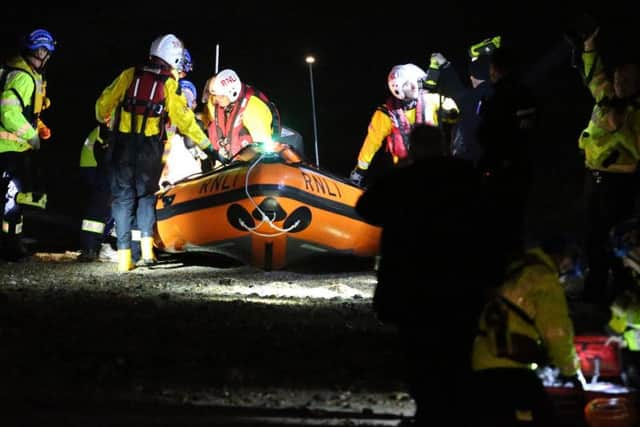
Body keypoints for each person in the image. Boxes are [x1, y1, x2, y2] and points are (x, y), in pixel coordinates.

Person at [355, 124, 499, 426]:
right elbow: (494, 221)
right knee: (460, 350)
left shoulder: (405, 180)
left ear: (414, 148)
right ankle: (457, 410)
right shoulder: (467, 178)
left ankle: (429, 411)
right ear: (444, 145)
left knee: (419, 354)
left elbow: (366, 207)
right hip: (462, 282)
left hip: (413, 284)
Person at [95, 33, 214, 272]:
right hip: (150, 148)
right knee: (146, 197)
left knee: (122, 199)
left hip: (124, 145)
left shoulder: (129, 75)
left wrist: (104, 120)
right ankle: (147, 253)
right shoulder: (169, 84)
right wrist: (208, 146)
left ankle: (123, 257)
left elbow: (102, 105)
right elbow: (185, 120)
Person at [470, 242, 581, 427]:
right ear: (563, 257)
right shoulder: (545, 278)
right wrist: (569, 370)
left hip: (482, 365)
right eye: (568, 267)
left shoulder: (517, 273)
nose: (565, 273)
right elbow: (557, 331)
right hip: (511, 370)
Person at [575, 26, 640, 310]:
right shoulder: (606, 96)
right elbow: (594, 74)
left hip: (619, 184)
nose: (619, 83)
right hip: (594, 178)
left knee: (619, 241)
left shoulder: (635, 111)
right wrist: (588, 46)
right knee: (592, 237)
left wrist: (619, 124)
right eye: (617, 78)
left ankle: (625, 293)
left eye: (626, 79)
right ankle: (595, 290)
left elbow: (634, 148)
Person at [348, 63, 459, 187]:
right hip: (409, 171)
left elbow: (451, 108)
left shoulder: (430, 100)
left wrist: (451, 112)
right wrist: (360, 170)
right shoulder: (386, 114)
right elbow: (371, 143)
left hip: (429, 168)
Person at [476, 44, 538, 257]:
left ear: (496, 67)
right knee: (514, 225)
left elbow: (491, 134)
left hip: (503, 171)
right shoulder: (524, 93)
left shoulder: (501, 95)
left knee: (499, 227)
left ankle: (502, 274)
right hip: (518, 169)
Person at [0, 29, 56, 261]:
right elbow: (8, 113)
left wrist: (38, 127)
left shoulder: (25, 73)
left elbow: (26, 112)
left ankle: (12, 242)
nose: (41, 55)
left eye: (45, 51)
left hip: (14, 150)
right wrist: (31, 135)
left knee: (14, 198)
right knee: (12, 199)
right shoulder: (23, 77)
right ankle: (10, 247)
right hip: (7, 149)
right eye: (39, 50)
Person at [202, 68, 280, 163]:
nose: (217, 99)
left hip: (249, 166)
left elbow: (262, 147)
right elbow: (208, 119)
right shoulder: (217, 101)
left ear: (232, 93)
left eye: (220, 96)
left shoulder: (253, 107)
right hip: (224, 164)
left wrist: (241, 160)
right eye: (214, 94)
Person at [76, 124, 117, 262]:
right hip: (96, 165)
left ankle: (94, 246)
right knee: (102, 204)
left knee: (105, 204)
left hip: (95, 162)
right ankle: (92, 247)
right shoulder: (116, 119)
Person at [160, 79, 208, 185]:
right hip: (174, 175)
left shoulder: (198, 124)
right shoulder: (170, 124)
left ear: (194, 104)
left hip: (193, 176)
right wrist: (164, 163)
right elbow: (168, 143)